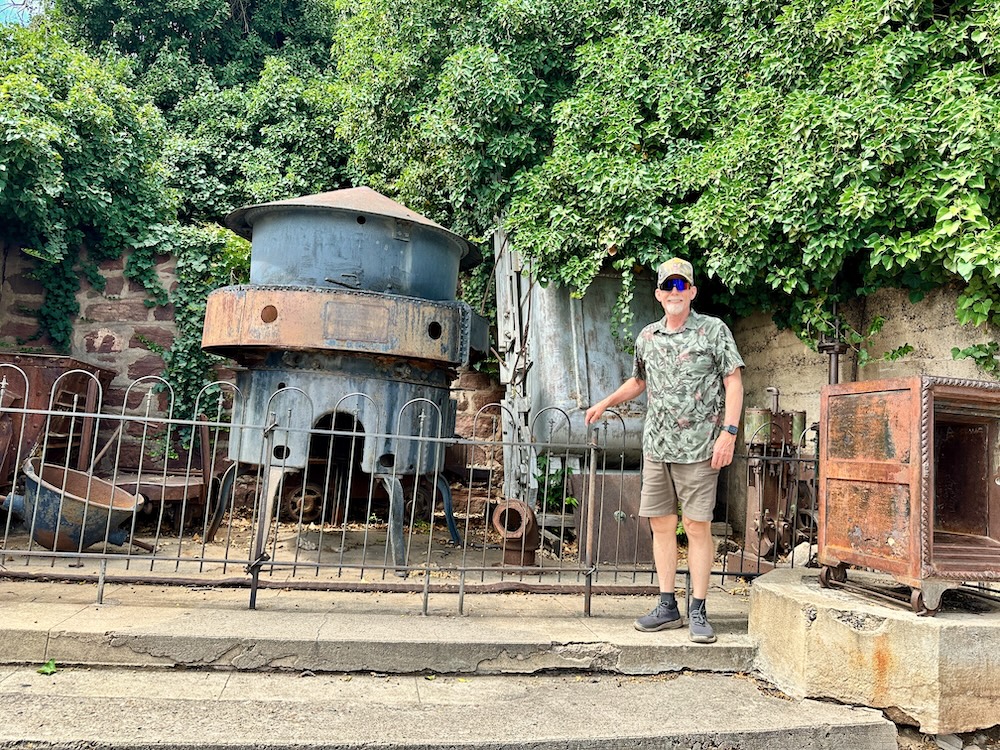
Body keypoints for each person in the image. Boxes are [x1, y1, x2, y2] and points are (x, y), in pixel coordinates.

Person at [584, 257, 744, 644]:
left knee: (697, 526)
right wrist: (606, 402)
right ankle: (667, 604)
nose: (675, 293)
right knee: (660, 525)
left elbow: (734, 382)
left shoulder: (712, 330)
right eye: (668, 287)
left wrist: (729, 434)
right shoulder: (648, 337)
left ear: (691, 292)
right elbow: (639, 381)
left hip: (701, 449)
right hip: (658, 447)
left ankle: (699, 609)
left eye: (681, 286)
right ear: (658, 294)